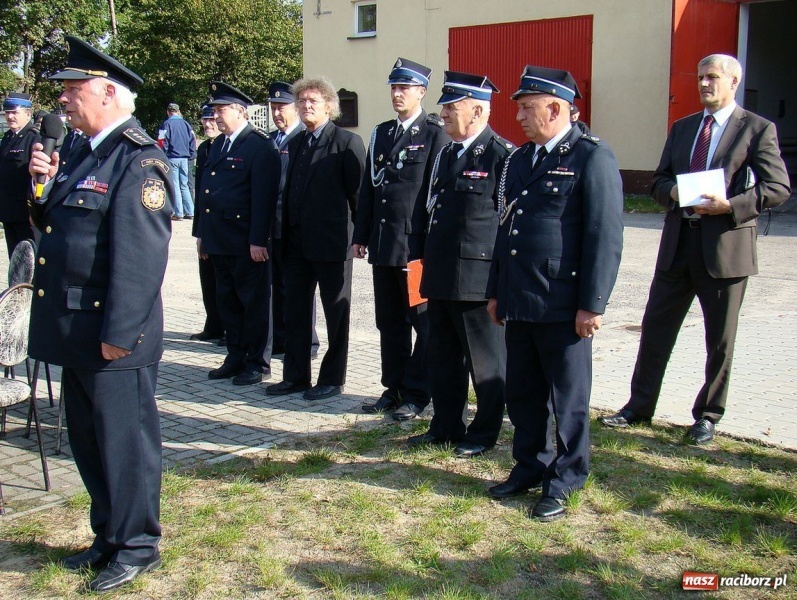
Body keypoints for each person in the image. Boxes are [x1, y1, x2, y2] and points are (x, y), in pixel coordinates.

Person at [27, 35, 172, 592]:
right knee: (90, 442)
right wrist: (41, 184)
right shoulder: (88, 153)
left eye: (73, 89)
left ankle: (137, 545)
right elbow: (56, 225)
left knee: (126, 445)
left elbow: (141, 261)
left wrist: (120, 335)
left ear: (108, 93)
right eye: (63, 90)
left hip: (113, 337)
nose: (63, 100)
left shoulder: (139, 160)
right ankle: (108, 534)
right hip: (77, 330)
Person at [600, 54, 790, 444]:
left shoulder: (756, 129)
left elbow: (778, 188)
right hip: (678, 245)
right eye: (701, 77)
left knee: (719, 339)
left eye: (713, 77)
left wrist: (732, 206)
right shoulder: (684, 127)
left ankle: (707, 415)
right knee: (655, 329)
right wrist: (672, 191)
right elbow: (658, 180)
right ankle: (639, 406)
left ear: (734, 82)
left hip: (724, 249)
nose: (705, 83)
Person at [485, 65, 624, 521]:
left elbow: (604, 235)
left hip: (564, 303)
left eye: (527, 107)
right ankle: (529, 466)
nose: (520, 116)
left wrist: (592, 304)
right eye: (520, 108)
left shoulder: (591, 156)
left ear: (556, 107)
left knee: (568, 398)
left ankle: (565, 479)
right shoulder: (520, 159)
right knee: (522, 392)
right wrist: (495, 291)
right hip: (520, 297)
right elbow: (504, 233)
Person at [406, 71, 512, 456]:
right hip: (440, 273)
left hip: (477, 278)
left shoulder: (503, 155)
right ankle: (445, 426)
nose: (444, 115)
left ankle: (484, 433)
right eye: (445, 107)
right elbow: (431, 211)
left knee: (485, 364)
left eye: (452, 107)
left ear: (478, 110)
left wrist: (501, 284)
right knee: (442, 358)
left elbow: (507, 225)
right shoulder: (446, 153)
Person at [353, 58, 449, 420]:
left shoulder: (435, 133)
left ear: (421, 92)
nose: (397, 94)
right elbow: (369, 191)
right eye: (393, 87)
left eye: (404, 88)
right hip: (383, 247)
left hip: (415, 250)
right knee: (388, 323)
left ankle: (417, 393)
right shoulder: (381, 133)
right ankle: (392, 388)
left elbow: (436, 195)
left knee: (423, 325)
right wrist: (361, 235)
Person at [266, 77, 366, 401]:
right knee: (294, 313)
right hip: (296, 245)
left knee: (336, 314)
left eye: (313, 101)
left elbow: (359, 197)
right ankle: (295, 377)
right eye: (302, 101)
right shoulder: (295, 143)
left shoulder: (347, 142)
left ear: (329, 106)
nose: (306, 106)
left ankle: (332, 379)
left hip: (333, 245)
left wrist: (361, 237)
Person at [195, 81, 281, 386]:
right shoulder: (218, 144)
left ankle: (258, 362)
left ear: (240, 111)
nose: (216, 115)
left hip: (246, 241)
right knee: (227, 302)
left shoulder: (259, 145)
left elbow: (264, 197)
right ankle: (235, 355)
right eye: (215, 110)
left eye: (221, 109)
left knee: (254, 304)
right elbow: (205, 194)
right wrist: (202, 235)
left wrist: (259, 239)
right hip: (219, 239)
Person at [268, 81, 320, 359]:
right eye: (273, 108)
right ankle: (280, 340)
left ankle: (306, 343)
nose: (277, 113)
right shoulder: (271, 141)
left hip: (297, 229)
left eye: (282, 107)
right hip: (274, 227)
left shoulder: (303, 138)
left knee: (298, 292)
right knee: (276, 288)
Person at [189, 104, 224, 343]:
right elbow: (201, 192)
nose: (208, 124)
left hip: (225, 225)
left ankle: (229, 328)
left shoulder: (227, 146)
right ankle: (213, 324)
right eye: (205, 120)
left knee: (224, 282)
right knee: (208, 278)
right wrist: (199, 231)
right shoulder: (204, 148)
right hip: (207, 224)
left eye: (212, 118)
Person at [0, 92, 39, 256]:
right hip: (8, 210)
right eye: (7, 112)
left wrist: (35, 211)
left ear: (28, 114)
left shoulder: (33, 138)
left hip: (25, 214)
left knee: (29, 260)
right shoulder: (7, 137)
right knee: (14, 260)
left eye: (14, 112)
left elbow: (38, 178)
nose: (10, 117)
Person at [158, 102, 196, 220]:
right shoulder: (186, 124)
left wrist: (162, 154)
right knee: (184, 185)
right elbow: (193, 140)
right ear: (178, 111)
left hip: (172, 157)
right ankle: (190, 211)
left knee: (175, 185)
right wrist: (191, 154)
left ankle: (178, 213)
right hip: (185, 158)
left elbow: (161, 141)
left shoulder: (166, 124)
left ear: (168, 112)